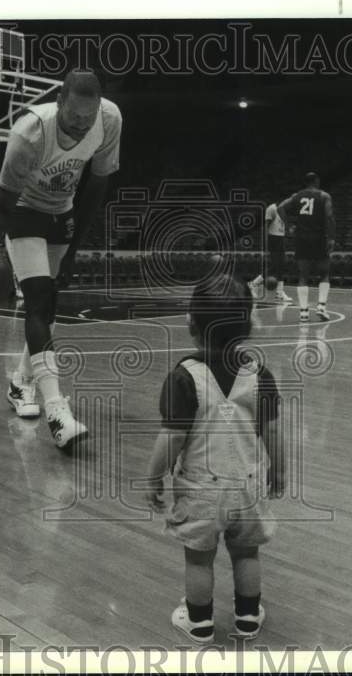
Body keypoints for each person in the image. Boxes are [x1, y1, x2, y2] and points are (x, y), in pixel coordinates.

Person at [0, 70, 121, 449]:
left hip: (62, 213)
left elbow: (96, 185)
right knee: (38, 302)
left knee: (48, 311)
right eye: (74, 116)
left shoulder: (109, 120)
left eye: (87, 118)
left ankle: (19, 383)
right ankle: (58, 412)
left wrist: (76, 246)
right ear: (59, 102)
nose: (81, 125)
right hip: (24, 210)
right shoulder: (28, 134)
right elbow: (4, 203)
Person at [145, 274, 284, 644]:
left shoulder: (184, 377)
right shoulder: (260, 376)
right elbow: (271, 432)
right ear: (249, 324)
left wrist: (154, 477)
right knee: (246, 553)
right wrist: (280, 470)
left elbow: (171, 438)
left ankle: (199, 621)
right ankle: (248, 617)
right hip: (248, 486)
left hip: (200, 490)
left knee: (198, 558)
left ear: (190, 322)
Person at [276, 172, 335, 322]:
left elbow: (280, 207)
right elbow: (329, 216)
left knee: (303, 276)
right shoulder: (324, 196)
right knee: (324, 273)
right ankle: (321, 306)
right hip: (319, 237)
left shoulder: (297, 196)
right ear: (317, 181)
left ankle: (303, 312)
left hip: (301, 238)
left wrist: (289, 225)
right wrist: (331, 237)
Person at [249, 202, 292, 303]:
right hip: (273, 239)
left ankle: (280, 293)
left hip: (280, 239)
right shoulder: (272, 208)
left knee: (280, 266)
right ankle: (253, 284)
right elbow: (265, 226)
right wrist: (266, 243)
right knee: (274, 265)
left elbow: (281, 227)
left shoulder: (283, 210)